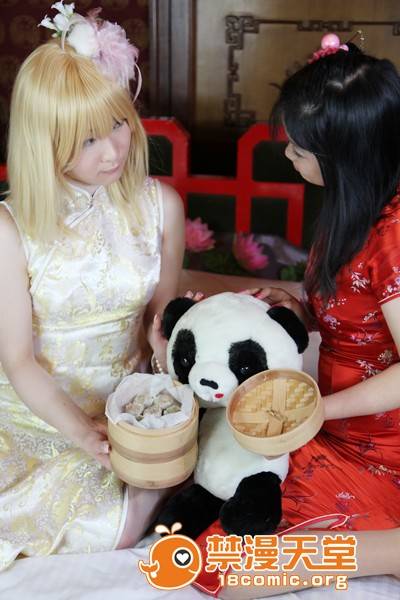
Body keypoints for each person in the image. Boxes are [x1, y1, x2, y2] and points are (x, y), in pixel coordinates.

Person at [0, 3, 188, 571]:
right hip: (39, 414)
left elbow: (160, 320)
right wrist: (84, 435)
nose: (112, 151)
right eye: (85, 140)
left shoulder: (161, 206)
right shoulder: (11, 228)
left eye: (118, 124)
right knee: (95, 524)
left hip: (130, 406)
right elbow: (18, 360)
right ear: (44, 141)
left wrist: (165, 349)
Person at [216, 35, 400, 598]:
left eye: (298, 150)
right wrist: (301, 311)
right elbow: (358, 316)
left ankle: (392, 548)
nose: (289, 157)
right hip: (337, 425)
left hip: (382, 446)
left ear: (343, 157)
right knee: (219, 544)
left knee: (235, 572)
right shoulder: (354, 207)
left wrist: (319, 411)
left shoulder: (394, 238)